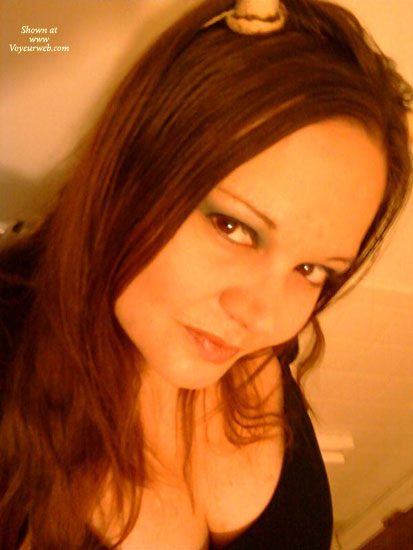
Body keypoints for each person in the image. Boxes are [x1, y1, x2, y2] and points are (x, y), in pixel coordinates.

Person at [0, 0, 411, 548]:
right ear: (128, 171)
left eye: (310, 268)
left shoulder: (255, 345)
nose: (264, 317)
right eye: (232, 227)